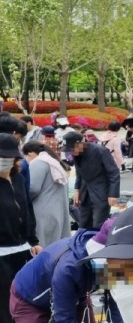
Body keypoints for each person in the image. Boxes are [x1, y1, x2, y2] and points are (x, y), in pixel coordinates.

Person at [9, 218, 122, 323]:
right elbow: (64, 318)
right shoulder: (69, 268)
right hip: (29, 298)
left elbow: (118, 305)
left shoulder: (121, 263)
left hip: (76, 293)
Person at [0, 134, 42, 323]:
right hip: (1, 251)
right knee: (3, 299)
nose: (5, 161)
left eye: (9, 157)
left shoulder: (18, 179)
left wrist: (33, 240)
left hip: (22, 249)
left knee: (22, 296)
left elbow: (27, 210)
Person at [67, 132, 120, 229]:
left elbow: (113, 172)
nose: (71, 152)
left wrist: (113, 193)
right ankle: (83, 242)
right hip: (84, 192)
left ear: (81, 143)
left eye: (73, 148)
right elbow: (79, 173)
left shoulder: (100, 151)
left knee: (99, 224)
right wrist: (77, 189)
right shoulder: (76, 154)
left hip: (101, 191)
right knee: (83, 223)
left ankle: (98, 243)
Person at [21, 142, 70, 248]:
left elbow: (32, 189)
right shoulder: (54, 162)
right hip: (58, 212)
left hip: (43, 213)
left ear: (30, 154)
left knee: (42, 250)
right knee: (55, 249)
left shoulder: (38, 163)